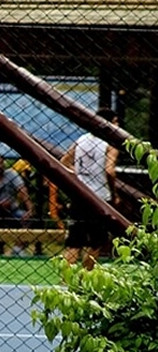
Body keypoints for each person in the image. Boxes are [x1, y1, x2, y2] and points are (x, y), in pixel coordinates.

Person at [61, 108, 119, 269]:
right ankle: (86, 276)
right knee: (97, 242)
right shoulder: (109, 144)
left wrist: (78, 176)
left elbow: (64, 161)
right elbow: (109, 170)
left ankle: (66, 279)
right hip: (100, 196)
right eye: (115, 122)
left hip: (80, 195)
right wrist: (114, 192)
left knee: (74, 242)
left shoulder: (81, 140)